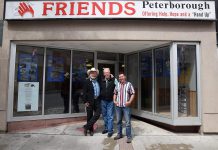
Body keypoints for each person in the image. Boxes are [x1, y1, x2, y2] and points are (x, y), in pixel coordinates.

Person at [113, 73, 135, 143]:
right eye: (119, 77)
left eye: (122, 76)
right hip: (118, 106)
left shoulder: (129, 84)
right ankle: (119, 134)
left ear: (125, 77)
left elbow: (133, 93)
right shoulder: (117, 85)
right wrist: (114, 100)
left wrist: (130, 102)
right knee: (119, 121)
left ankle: (129, 137)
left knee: (127, 122)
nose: (120, 78)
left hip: (126, 106)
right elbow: (115, 93)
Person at [100, 68, 118, 137]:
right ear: (104, 73)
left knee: (110, 116)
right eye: (105, 72)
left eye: (108, 72)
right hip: (103, 100)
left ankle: (110, 130)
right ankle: (106, 128)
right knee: (104, 115)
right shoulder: (101, 80)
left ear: (110, 73)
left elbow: (118, 87)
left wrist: (116, 97)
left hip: (110, 101)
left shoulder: (114, 79)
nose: (106, 74)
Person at [83, 67, 101, 136]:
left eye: (95, 72)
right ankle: (90, 130)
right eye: (92, 72)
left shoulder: (98, 80)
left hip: (97, 100)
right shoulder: (86, 81)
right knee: (89, 116)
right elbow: (84, 92)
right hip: (89, 101)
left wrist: (112, 77)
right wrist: (85, 102)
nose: (93, 74)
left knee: (98, 114)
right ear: (90, 74)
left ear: (96, 74)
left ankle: (86, 127)